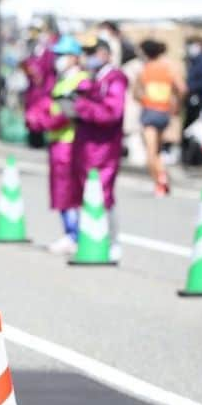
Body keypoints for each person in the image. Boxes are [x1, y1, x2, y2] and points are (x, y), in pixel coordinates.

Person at [25, 34, 83, 254]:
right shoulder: (62, 79)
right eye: (56, 54)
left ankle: (74, 234)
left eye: (62, 54)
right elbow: (49, 104)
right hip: (58, 139)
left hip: (69, 141)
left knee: (68, 189)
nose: (58, 58)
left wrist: (43, 122)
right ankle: (70, 232)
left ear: (75, 57)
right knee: (61, 189)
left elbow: (67, 112)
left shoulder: (79, 80)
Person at [73, 38, 127, 262]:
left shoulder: (115, 79)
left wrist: (81, 106)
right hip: (87, 144)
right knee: (87, 194)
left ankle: (112, 242)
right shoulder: (92, 78)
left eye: (92, 52)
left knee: (103, 194)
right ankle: (90, 238)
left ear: (104, 54)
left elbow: (111, 112)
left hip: (104, 147)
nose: (87, 57)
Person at [134, 39, 186, 196]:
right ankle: (162, 176)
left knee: (150, 151)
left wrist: (143, 100)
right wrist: (176, 104)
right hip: (164, 112)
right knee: (158, 149)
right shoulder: (169, 69)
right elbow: (182, 88)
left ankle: (159, 180)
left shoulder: (145, 69)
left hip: (150, 110)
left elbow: (136, 93)